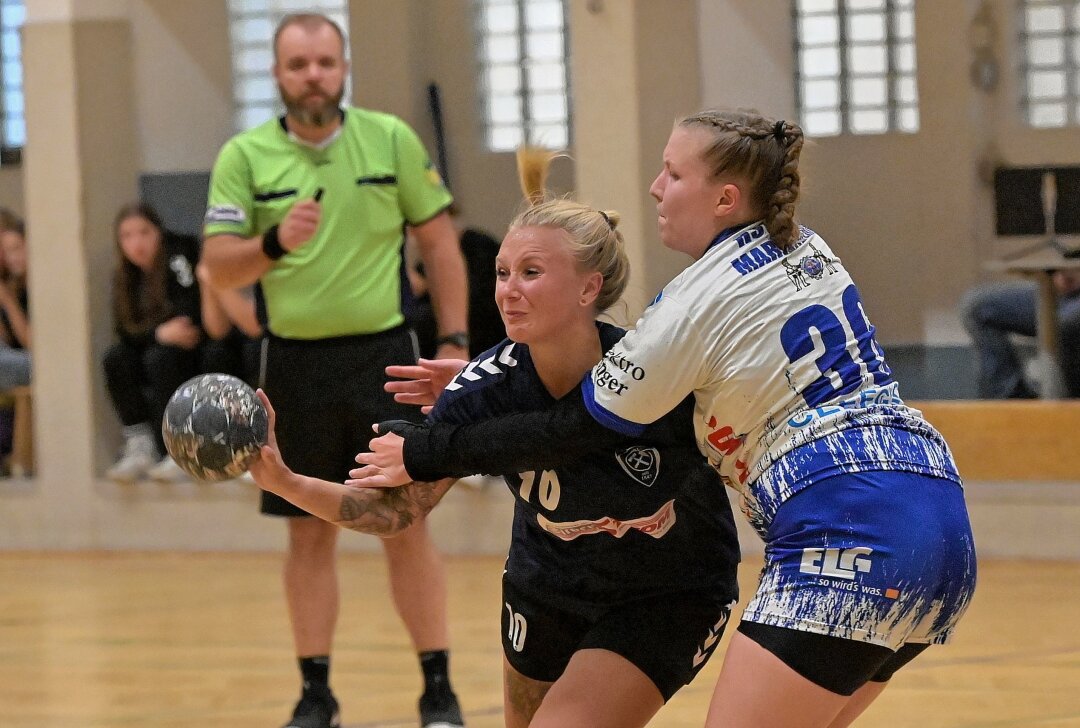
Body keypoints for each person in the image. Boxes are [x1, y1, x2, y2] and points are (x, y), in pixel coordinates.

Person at [353, 109, 978, 728]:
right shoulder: (807, 247)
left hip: (848, 531)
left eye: (673, 173)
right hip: (940, 515)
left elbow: (574, 428)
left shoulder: (686, 308)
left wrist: (426, 452)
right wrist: (480, 379)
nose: (655, 187)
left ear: (725, 198)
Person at [248, 146, 741, 728]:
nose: (508, 290)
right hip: (548, 588)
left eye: (532, 273)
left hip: (665, 590)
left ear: (589, 289)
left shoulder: (650, 375)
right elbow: (394, 513)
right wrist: (283, 479)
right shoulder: (484, 388)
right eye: (503, 273)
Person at [198, 13, 470, 728]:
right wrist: (274, 243)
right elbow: (217, 264)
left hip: (386, 360)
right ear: (277, 74)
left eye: (324, 61)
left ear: (343, 67)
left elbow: (441, 245)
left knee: (405, 525)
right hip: (292, 364)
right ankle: (316, 693)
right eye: (297, 64)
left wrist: (455, 336)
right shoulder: (245, 157)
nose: (313, 74)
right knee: (305, 529)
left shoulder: (390, 138)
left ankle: (437, 688)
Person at [103, 202, 204, 484]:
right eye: (127, 236)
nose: (137, 243)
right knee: (116, 359)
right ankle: (140, 444)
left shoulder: (179, 255)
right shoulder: (125, 276)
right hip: (157, 346)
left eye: (144, 232)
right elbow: (124, 331)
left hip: (194, 349)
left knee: (160, 359)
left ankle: (180, 448)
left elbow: (188, 319)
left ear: (159, 232)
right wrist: (157, 334)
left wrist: (155, 336)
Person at [960, 271, 1080, 398]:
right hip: (1066, 292)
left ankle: (1070, 407)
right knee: (979, 307)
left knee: (1066, 323)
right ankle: (1010, 405)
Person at [196, 262, 263, 387]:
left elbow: (257, 327)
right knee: (216, 354)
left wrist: (216, 280)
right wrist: (211, 279)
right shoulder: (217, 257)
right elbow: (217, 330)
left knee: (255, 351)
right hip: (241, 334)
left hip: (274, 333)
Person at [0, 219, 31, 390]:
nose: (12, 258)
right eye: (7, 253)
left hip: (37, 363)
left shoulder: (38, 289)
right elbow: (6, 341)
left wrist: (8, 302)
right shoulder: (13, 285)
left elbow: (33, 345)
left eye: (16, 249)